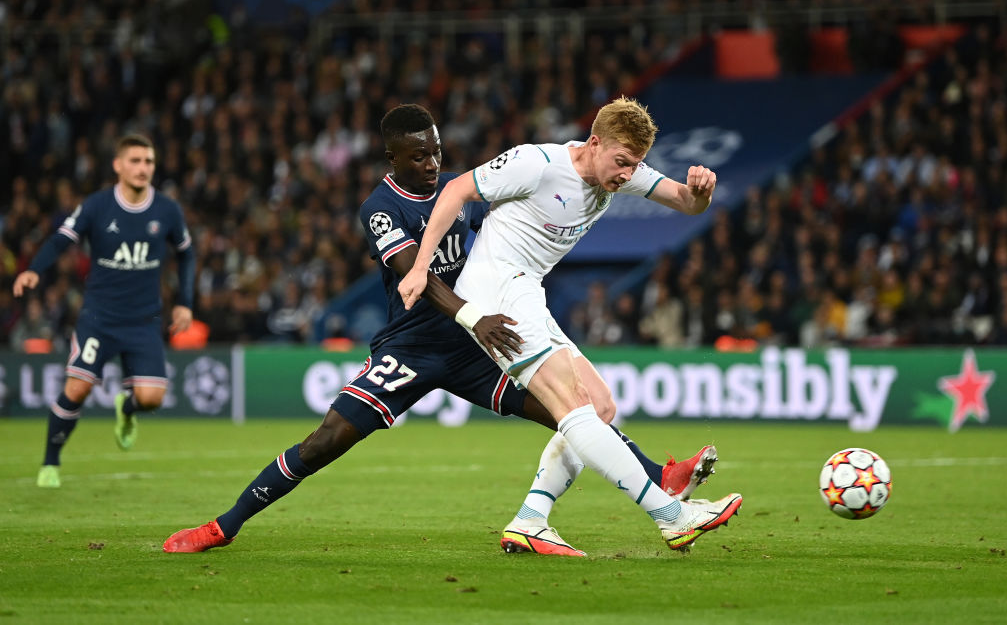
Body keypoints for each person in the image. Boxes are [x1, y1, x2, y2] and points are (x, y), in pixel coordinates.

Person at [163, 104, 716, 555]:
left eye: (436, 151)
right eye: (419, 154)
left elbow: (499, 227)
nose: (431, 163)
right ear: (393, 156)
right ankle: (223, 525)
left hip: (477, 339)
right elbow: (415, 278)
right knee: (326, 441)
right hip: (416, 343)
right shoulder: (381, 207)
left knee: (577, 412)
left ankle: (624, 488)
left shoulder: (460, 191)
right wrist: (475, 314)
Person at [398, 96, 742, 553]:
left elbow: (684, 201)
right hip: (496, 288)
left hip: (526, 289)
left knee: (599, 407)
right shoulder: (535, 163)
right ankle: (671, 515)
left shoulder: (623, 171)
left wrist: (700, 193)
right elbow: (458, 189)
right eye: (621, 162)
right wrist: (421, 267)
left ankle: (530, 519)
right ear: (594, 143)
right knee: (574, 406)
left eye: (634, 165)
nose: (626, 174)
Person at [13, 133, 195, 488]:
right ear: (118, 165)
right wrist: (35, 268)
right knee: (77, 388)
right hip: (100, 317)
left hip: (144, 321)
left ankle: (126, 409)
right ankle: (50, 462)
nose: (143, 168)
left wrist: (185, 302)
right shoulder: (97, 206)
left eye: (149, 162)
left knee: (151, 398)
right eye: (136, 161)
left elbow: (187, 253)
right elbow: (61, 239)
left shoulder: (167, 210)